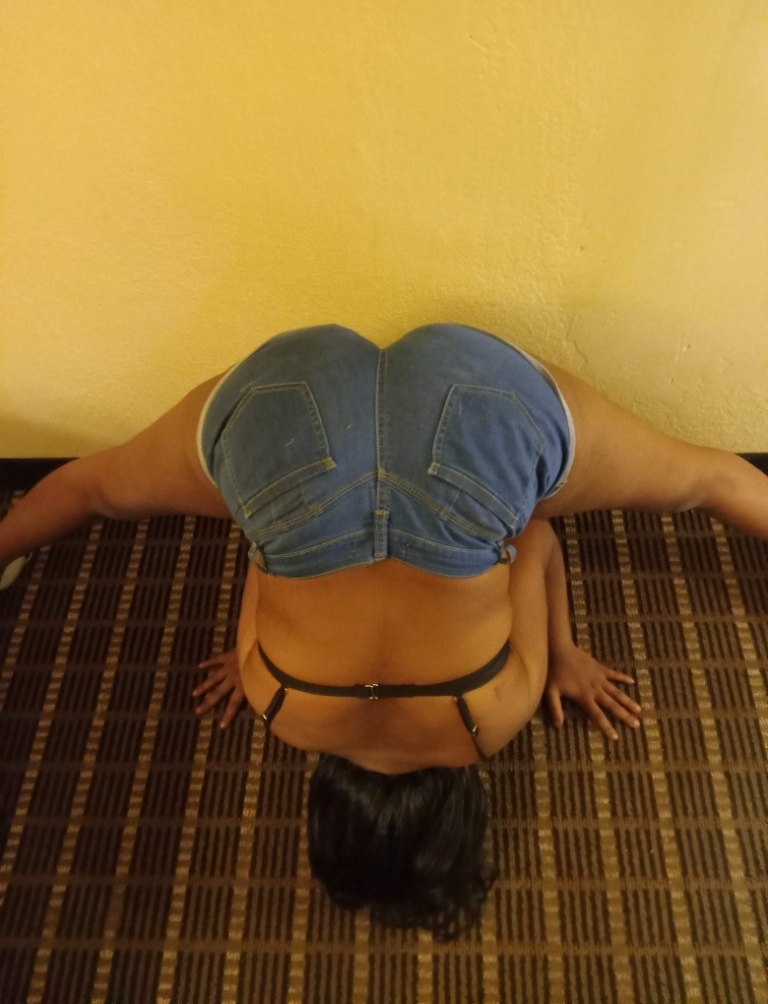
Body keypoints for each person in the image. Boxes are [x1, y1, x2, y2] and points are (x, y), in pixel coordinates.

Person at [2, 323, 766, 938]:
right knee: (96, 488)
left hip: (473, 404)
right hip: (289, 415)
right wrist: (256, 660)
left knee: (705, 480)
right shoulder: (278, 706)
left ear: (459, 818)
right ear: (328, 812)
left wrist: (563, 656)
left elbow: (534, 539)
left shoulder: (492, 720)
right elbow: (264, 560)